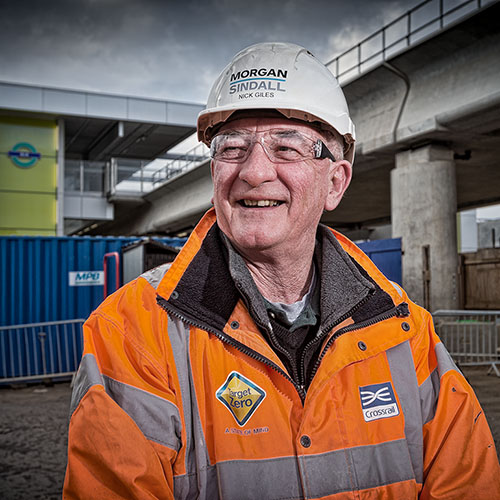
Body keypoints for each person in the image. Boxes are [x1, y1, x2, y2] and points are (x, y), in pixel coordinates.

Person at [64, 42, 500, 499]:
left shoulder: (402, 328)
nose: (254, 172)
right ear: (214, 172)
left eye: (286, 148)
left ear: (336, 182)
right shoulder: (133, 332)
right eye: (232, 148)